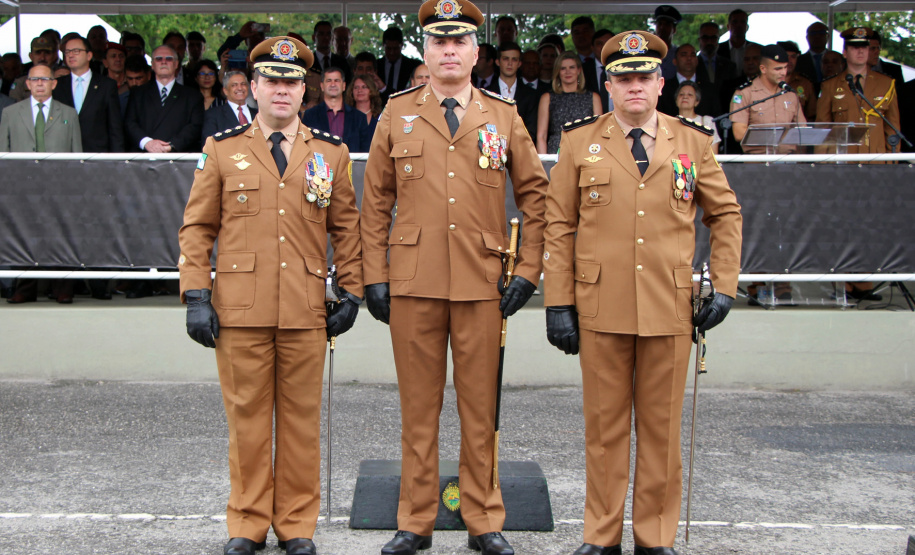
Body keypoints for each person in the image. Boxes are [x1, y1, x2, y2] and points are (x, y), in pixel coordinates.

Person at [543, 30, 742, 555]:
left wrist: (723, 285)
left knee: (661, 432)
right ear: (608, 84)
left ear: (660, 83)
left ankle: (654, 537)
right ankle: (602, 536)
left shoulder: (693, 143)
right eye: (623, 77)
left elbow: (725, 214)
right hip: (600, 307)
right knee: (604, 433)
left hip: (669, 307)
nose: (634, 85)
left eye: (644, 76)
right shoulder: (577, 141)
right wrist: (558, 302)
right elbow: (559, 224)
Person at [360, 1, 548, 553]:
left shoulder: (504, 115)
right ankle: (415, 521)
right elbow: (375, 202)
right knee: (418, 410)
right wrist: (375, 274)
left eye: (459, 41)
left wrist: (529, 270)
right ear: (426, 50)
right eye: (438, 42)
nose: (448, 50)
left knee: (479, 410)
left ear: (474, 52)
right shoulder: (396, 113)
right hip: (413, 283)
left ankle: (484, 520)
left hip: (483, 282)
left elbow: (536, 196)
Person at [178, 35, 363, 555]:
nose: (282, 90)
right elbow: (196, 228)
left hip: (306, 310)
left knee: (302, 425)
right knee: (248, 424)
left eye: (291, 82)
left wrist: (349, 289)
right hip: (239, 310)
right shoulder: (223, 149)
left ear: (303, 91)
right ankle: (247, 523)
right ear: (253, 86)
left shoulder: (330, 153)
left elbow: (347, 229)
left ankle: (297, 526)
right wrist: (195, 292)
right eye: (272, 81)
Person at [1, 64, 83, 305]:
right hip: (22, 185)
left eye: (44, 79)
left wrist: (75, 186)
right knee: (25, 235)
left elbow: (77, 152)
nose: (39, 83)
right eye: (34, 79)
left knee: (61, 234)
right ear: (27, 83)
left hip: (60, 185)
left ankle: (63, 288)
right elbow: (3, 152)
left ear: (53, 83)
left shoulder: (68, 113)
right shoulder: (10, 112)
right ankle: (25, 289)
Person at [817, 27, 900, 156]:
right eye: (855, 47)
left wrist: (892, 163)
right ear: (845, 53)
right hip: (843, 160)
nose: (861, 51)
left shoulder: (886, 84)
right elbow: (822, 130)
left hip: (876, 160)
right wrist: (822, 165)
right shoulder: (829, 86)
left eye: (865, 47)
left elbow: (892, 129)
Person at [124, 45, 205, 153]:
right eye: (158, 59)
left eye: (168, 59)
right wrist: (147, 142)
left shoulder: (192, 96)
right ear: (152, 65)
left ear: (176, 64)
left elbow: (195, 127)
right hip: (144, 157)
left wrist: (171, 145)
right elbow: (130, 123)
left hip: (178, 158)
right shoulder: (138, 93)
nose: (163, 62)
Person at [52, 35, 123, 153]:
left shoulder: (106, 85)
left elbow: (115, 127)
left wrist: (117, 161)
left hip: (97, 156)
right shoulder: (57, 85)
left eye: (76, 51)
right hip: (64, 155)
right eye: (67, 52)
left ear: (89, 55)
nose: (70, 55)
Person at [729, 44, 806, 154]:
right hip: (757, 163)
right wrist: (774, 137)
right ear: (763, 69)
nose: (783, 72)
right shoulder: (744, 93)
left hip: (788, 162)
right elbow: (739, 133)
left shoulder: (790, 94)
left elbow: (802, 130)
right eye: (778, 69)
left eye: (785, 67)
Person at [537, 50, 602, 154]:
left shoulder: (594, 98)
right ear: (558, 72)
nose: (568, 72)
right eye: (563, 68)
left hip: (586, 152)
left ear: (579, 70)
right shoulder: (547, 98)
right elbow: (542, 135)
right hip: (556, 153)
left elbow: (598, 133)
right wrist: (544, 165)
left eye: (572, 67)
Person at [302, 66, 371, 152]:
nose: (333, 84)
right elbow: (304, 147)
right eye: (329, 80)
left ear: (344, 86)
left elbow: (366, 152)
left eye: (337, 80)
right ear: (322, 86)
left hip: (351, 165)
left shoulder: (360, 118)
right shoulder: (310, 115)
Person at [658, 43, 718, 118]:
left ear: (697, 60)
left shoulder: (709, 88)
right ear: (675, 61)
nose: (689, 58)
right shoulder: (664, 88)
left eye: (692, 55)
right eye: (684, 55)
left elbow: (716, 116)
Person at [493, 42, 539, 138]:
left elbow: (531, 129)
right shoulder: (485, 92)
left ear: (519, 64)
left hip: (522, 149)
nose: (510, 63)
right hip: (492, 149)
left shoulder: (531, 95)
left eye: (514, 59)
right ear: (497, 62)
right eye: (506, 59)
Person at [202, 70, 257, 142]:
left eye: (243, 84)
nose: (240, 88)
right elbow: (209, 146)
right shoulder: (213, 115)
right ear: (225, 91)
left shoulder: (259, 114)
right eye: (234, 85)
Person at [777, 41, 816, 122]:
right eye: (786, 56)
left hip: (797, 132)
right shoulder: (768, 81)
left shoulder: (805, 83)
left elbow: (811, 115)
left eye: (793, 56)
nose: (789, 60)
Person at [9, 37, 58, 101]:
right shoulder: (21, 82)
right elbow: (14, 108)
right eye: (38, 53)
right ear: (31, 56)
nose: (42, 58)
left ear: (54, 56)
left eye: (47, 53)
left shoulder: (61, 78)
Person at [675, 81, 720, 149]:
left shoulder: (707, 121)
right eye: (681, 94)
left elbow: (713, 153)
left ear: (697, 102)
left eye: (690, 95)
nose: (685, 97)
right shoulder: (668, 122)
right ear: (676, 101)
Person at [377, 26, 421, 95]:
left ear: (402, 45)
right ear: (383, 45)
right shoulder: (376, 65)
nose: (392, 52)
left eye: (395, 48)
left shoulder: (413, 66)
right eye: (388, 48)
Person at [718, 9, 760, 78]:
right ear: (728, 26)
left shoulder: (756, 49)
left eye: (742, 22)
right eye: (735, 22)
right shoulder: (718, 50)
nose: (738, 25)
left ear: (747, 27)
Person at [310, 21, 353, 85]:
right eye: (321, 34)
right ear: (314, 37)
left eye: (329, 34)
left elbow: (348, 87)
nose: (326, 37)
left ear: (333, 37)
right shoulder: (308, 62)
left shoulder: (342, 62)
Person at [696, 21, 736, 86]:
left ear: (718, 39)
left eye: (713, 38)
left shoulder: (729, 66)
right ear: (699, 40)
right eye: (705, 38)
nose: (709, 42)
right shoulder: (691, 65)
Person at [795, 21, 829, 89]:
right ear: (807, 37)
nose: (817, 36)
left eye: (821, 33)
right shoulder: (798, 61)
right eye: (813, 33)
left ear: (828, 36)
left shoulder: (837, 59)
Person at [571, 16, 601, 93]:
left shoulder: (603, 61)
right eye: (577, 33)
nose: (581, 36)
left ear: (593, 33)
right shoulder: (569, 64)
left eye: (585, 31)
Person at [653, 5, 681, 82]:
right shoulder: (649, 52)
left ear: (674, 29)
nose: (662, 27)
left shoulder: (679, 54)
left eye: (667, 24)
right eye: (660, 24)